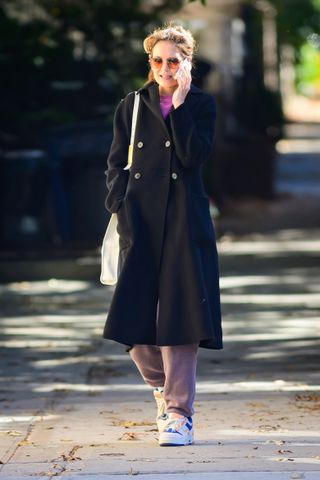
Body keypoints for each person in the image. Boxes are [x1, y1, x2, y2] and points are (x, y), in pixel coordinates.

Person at [103, 23, 222, 446]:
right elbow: (115, 163)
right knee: (132, 323)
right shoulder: (131, 106)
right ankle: (163, 387)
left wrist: (183, 104)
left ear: (187, 62)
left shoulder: (202, 105)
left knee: (181, 317)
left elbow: (194, 156)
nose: (166, 67)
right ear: (149, 63)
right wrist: (118, 205)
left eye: (175, 60)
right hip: (140, 221)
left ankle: (178, 414)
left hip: (184, 222)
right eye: (159, 60)